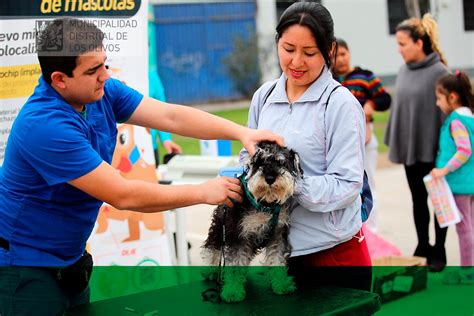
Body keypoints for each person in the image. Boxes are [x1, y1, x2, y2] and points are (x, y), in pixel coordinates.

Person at [0, 18, 283, 315]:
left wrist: (241, 132)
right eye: (93, 70)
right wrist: (203, 192)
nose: (105, 76)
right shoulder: (45, 126)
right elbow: (124, 195)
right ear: (59, 79)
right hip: (24, 267)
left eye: (104, 63)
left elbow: (170, 117)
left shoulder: (100, 91)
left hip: (69, 261)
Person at [241, 2, 370, 291]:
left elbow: (348, 185)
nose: (296, 62)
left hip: (333, 256)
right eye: (288, 49)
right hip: (278, 257)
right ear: (277, 43)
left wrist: (287, 185)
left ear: (329, 49)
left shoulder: (340, 104)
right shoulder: (263, 97)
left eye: (309, 53)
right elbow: (246, 157)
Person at [384, 13, 449, 272]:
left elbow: (447, 115)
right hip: (412, 151)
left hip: (435, 153)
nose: (399, 50)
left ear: (419, 43)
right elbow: (403, 111)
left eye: (402, 44)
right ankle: (423, 244)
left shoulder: (439, 72)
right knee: (418, 200)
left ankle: (439, 249)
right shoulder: (403, 71)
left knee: (438, 202)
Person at [334, 38, 392, 233]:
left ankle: (371, 232)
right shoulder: (329, 81)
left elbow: (385, 98)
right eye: (336, 56)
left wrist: (371, 105)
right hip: (340, 143)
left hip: (366, 141)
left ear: (349, 53)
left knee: (368, 185)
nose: (340, 59)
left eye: (343, 54)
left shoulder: (364, 76)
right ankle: (352, 229)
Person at [430, 71, 474, 284]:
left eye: (439, 98)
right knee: (470, 227)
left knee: (464, 229)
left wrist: (443, 170)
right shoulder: (470, 116)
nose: (438, 103)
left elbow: (464, 151)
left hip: (460, 184)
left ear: (453, 97)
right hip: (469, 183)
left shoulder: (456, 121)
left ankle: (466, 271)